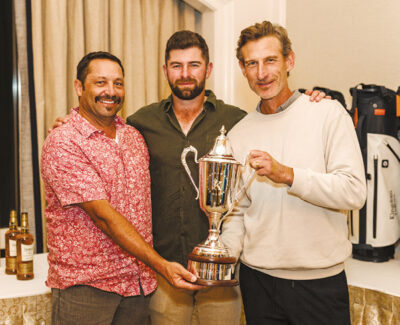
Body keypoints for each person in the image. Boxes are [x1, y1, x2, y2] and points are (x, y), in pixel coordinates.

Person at [49, 32, 327, 325]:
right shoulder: (141, 124)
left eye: (194, 65)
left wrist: (307, 100)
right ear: (165, 71)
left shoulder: (239, 121)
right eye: (176, 65)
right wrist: (72, 121)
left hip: (222, 274)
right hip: (162, 272)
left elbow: (278, 120)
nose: (184, 74)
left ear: (208, 69)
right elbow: (98, 132)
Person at [220, 21, 367, 325]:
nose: (262, 73)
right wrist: (223, 253)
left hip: (320, 286)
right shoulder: (238, 134)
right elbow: (237, 213)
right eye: (252, 63)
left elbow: (354, 192)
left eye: (271, 60)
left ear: (290, 61)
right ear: (243, 69)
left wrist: (288, 175)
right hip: (257, 282)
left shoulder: (327, 113)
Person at [40, 51, 201, 325]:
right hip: (87, 287)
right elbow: (103, 216)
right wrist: (161, 265)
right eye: (100, 82)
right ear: (79, 87)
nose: (110, 91)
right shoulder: (64, 141)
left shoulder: (134, 137)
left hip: (137, 286)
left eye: (118, 83)